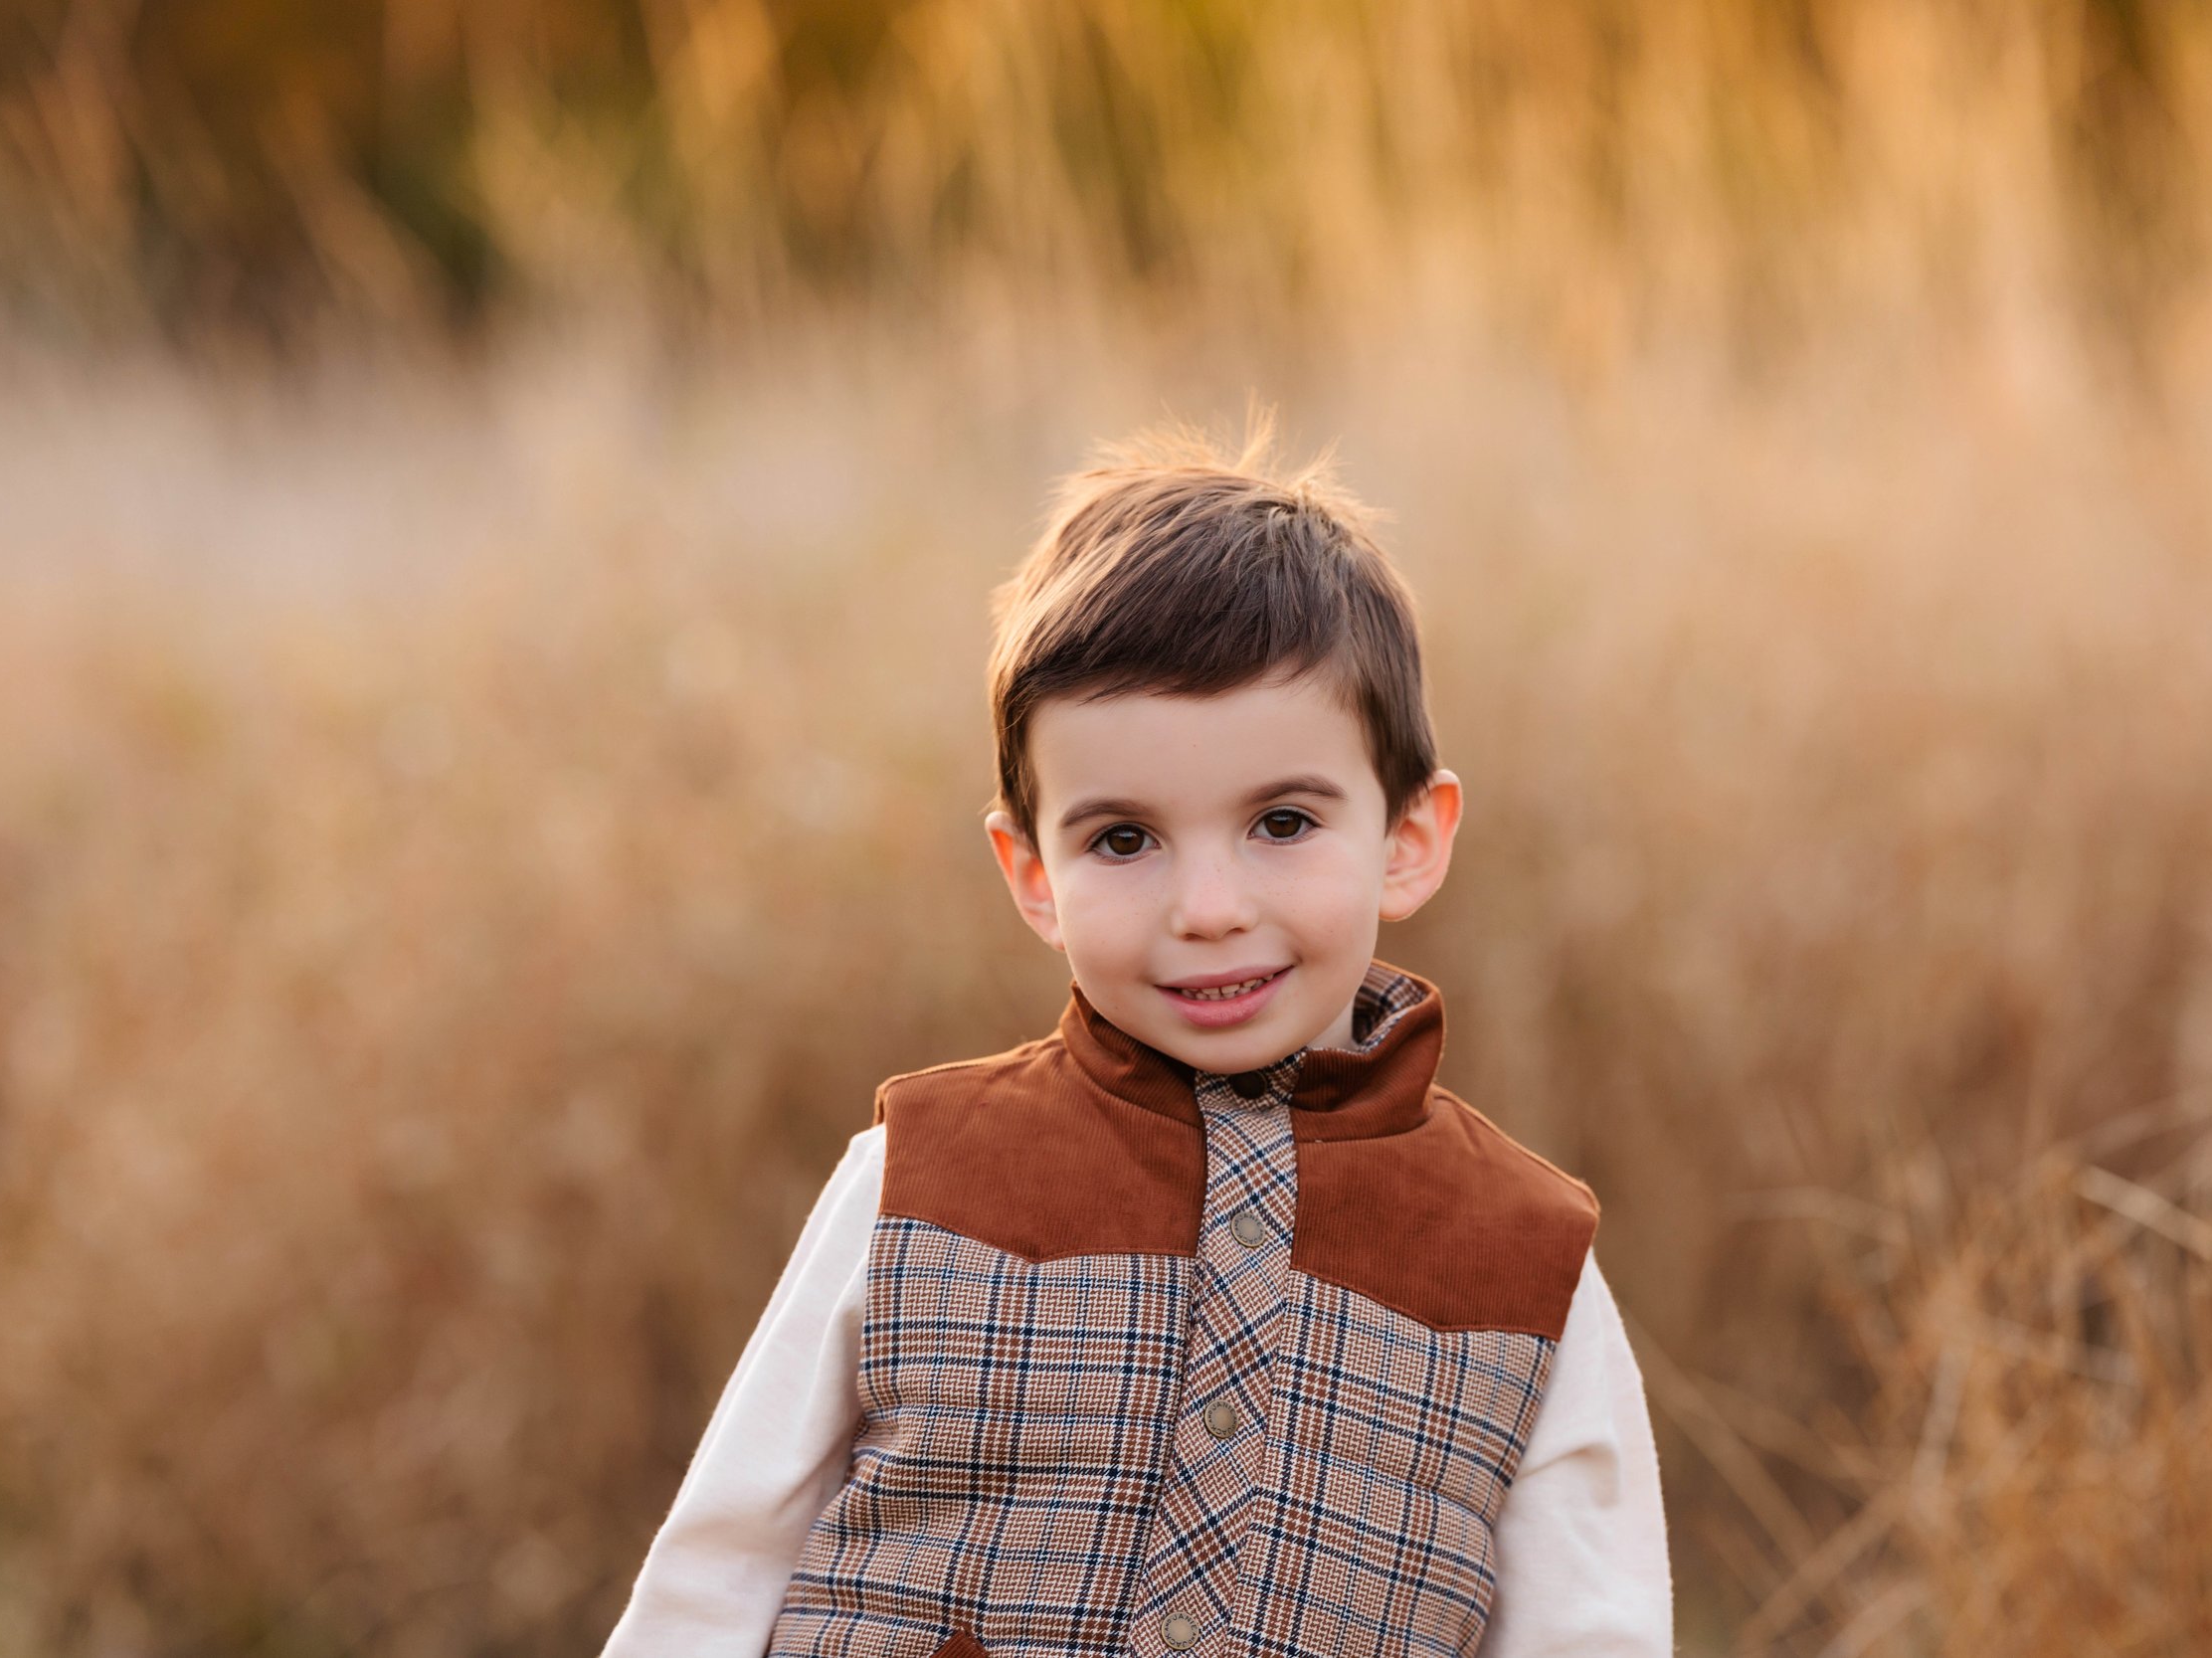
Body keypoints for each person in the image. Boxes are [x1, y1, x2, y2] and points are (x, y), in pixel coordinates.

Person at [599, 420, 1675, 1657]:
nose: (1207, 906)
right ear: (1032, 869)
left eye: (1280, 820)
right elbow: (717, 1573)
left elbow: (1591, 1633)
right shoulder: (920, 1175)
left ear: (1408, 838)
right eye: (1123, 838)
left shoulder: (1522, 1260)